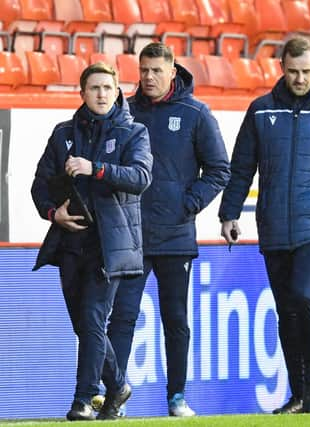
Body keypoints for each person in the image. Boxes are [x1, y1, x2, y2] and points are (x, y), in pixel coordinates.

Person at [218, 36, 310, 414]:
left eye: (307, 71)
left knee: (303, 295)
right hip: (273, 223)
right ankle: (300, 393)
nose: (300, 78)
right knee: (286, 308)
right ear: (281, 68)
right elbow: (242, 167)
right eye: (294, 71)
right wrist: (229, 213)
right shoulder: (261, 110)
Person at [105, 42, 230, 416]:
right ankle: (115, 396)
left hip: (175, 236)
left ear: (172, 72)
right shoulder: (123, 112)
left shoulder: (195, 113)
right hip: (131, 236)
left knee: (175, 320)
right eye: (143, 70)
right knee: (122, 316)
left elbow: (219, 169)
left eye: (156, 70)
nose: (148, 77)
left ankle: (177, 398)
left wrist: (188, 204)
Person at [30, 62, 153, 421]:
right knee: (85, 325)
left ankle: (84, 398)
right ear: (82, 92)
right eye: (94, 88)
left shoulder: (135, 132)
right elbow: (39, 184)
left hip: (111, 245)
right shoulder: (62, 133)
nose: (101, 94)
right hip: (71, 241)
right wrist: (55, 213)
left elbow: (141, 177)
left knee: (92, 317)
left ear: (118, 92)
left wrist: (95, 168)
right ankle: (117, 385)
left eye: (107, 88)